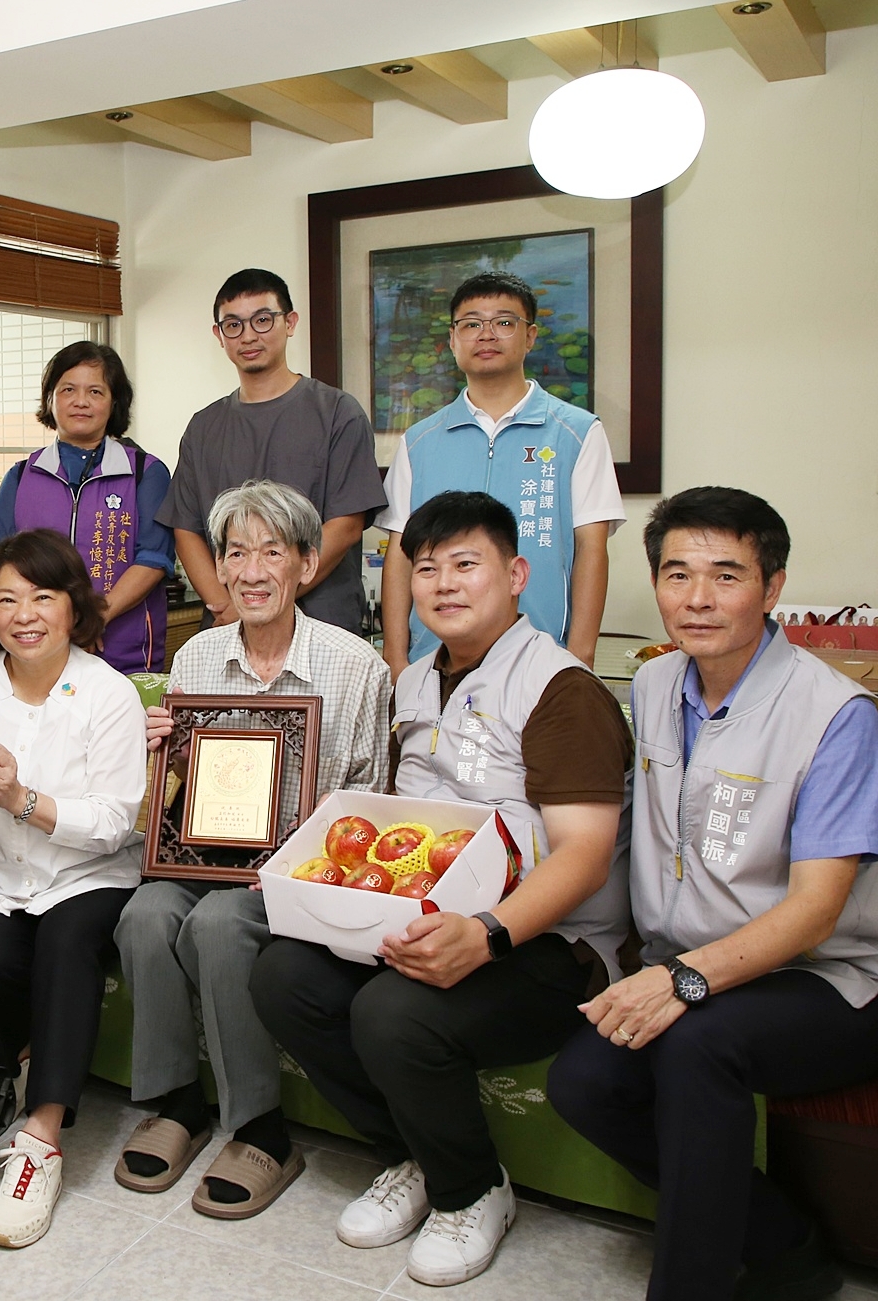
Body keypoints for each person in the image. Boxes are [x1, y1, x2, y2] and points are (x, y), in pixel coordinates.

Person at [250, 490, 631, 1287]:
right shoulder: (416, 680)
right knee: (283, 974)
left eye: (466, 564)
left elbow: (586, 858)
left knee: (391, 1010)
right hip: (429, 914)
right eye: (425, 568)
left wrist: (488, 933)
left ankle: (471, 1189)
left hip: (546, 945)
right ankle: (415, 1154)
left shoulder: (561, 689)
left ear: (515, 574)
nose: (444, 584)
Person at [549, 488, 878, 1301]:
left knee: (695, 1045)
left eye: (726, 574)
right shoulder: (651, 684)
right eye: (676, 574)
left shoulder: (834, 713)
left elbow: (816, 908)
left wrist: (683, 979)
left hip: (828, 983)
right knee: (583, 1083)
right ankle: (785, 1244)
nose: (697, 598)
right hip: (693, 968)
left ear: (771, 586)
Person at [112, 481, 390, 1219]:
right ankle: (177, 1102)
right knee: (144, 913)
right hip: (203, 859)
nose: (252, 570)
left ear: (307, 564)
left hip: (300, 876)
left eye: (272, 551)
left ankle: (261, 1125)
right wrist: (162, 756)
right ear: (219, 568)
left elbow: (368, 798)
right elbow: (172, 800)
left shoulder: (356, 666)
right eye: (236, 553)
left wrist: (299, 862)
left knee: (217, 922)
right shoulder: (196, 657)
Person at [0, 529, 149, 1249]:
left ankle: (40, 1139)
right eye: (5, 599)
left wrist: (23, 799)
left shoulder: (108, 693)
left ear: (72, 605)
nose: (23, 614)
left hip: (85, 874)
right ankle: (8, 1054)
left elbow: (112, 823)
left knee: (66, 946)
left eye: (42, 597)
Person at [377, 270, 625, 673]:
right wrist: (396, 657)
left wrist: (579, 658)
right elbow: (400, 555)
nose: (487, 335)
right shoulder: (419, 441)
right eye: (471, 324)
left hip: (542, 661)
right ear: (453, 339)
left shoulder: (577, 433)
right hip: (434, 661)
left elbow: (591, 550)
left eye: (504, 323)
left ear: (530, 336)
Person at [157, 269, 385, 636]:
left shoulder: (338, 413)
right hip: (227, 629)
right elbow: (186, 530)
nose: (248, 336)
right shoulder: (203, 427)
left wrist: (259, 603)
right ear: (219, 335)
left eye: (262, 320)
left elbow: (345, 526)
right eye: (233, 325)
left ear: (290, 322)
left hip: (320, 627)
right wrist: (229, 606)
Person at [0, 341, 175, 673]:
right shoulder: (20, 478)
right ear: (50, 399)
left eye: (95, 392)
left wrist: (96, 617)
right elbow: (0, 567)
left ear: (114, 402)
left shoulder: (146, 473)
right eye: (68, 390)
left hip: (125, 653)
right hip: (38, 653)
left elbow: (154, 558)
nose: (81, 401)